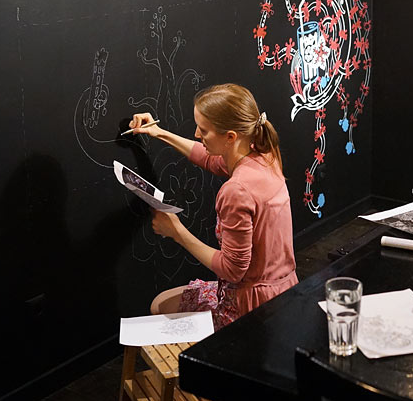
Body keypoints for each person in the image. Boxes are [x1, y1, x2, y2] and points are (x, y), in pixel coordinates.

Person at [128, 83, 298, 329]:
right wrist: (159, 133)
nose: (197, 134)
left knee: (159, 306)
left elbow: (232, 270)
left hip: (249, 309)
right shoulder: (264, 156)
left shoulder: (236, 191)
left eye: (204, 130)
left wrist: (176, 232)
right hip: (283, 292)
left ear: (230, 137)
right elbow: (209, 159)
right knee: (164, 303)